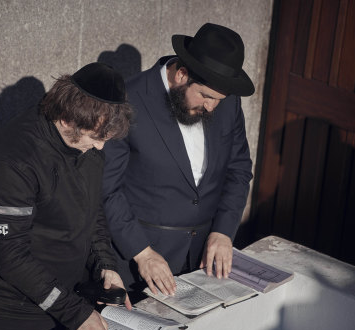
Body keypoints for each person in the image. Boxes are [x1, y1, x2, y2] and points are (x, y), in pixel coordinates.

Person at [0, 63, 133, 330]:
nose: (101, 146)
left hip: (68, 300)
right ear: (67, 117)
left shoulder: (88, 144)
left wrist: (105, 265)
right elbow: (10, 255)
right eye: (96, 136)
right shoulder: (14, 158)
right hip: (17, 316)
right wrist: (74, 312)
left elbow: (92, 209)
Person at [102, 23, 254, 295]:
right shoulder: (127, 100)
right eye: (206, 97)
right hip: (141, 262)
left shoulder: (226, 102)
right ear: (182, 74)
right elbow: (107, 189)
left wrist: (223, 231)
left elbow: (239, 170)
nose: (211, 107)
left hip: (204, 258)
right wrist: (142, 252)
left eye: (219, 99)